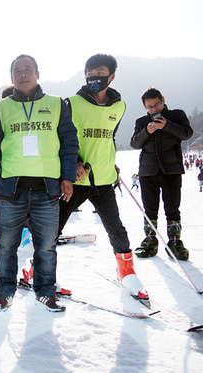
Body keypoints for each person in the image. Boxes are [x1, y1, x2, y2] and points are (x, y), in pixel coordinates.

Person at [0, 54, 79, 312]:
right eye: (17, 71)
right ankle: (4, 291)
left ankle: (45, 291)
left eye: (28, 69)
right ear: (11, 76)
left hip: (47, 189)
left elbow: (69, 143)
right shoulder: (0, 107)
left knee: (46, 246)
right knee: (6, 245)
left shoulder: (57, 104)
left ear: (38, 73)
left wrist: (67, 176)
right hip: (11, 190)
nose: (23, 74)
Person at [58, 54, 148, 301]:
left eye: (99, 73)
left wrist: (110, 162)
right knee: (53, 228)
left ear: (111, 76)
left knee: (116, 228)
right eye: (89, 73)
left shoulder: (119, 107)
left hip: (105, 179)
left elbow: (107, 139)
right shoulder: (71, 103)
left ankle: (127, 274)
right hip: (75, 181)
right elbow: (61, 139)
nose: (93, 78)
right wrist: (73, 162)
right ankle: (36, 271)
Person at [130, 87, 193, 260]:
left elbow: (187, 133)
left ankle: (174, 242)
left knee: (172, 209)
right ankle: (150, 242)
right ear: (144, 107)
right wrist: (147, 132)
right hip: (147, 172)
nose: (153, 109)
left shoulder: (177, 115)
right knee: (150, 210)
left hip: (171, 170)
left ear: (163, 100)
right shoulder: (141, 122)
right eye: (149, 107)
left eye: (156, 104)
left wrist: (167, 126)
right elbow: (134, 143)